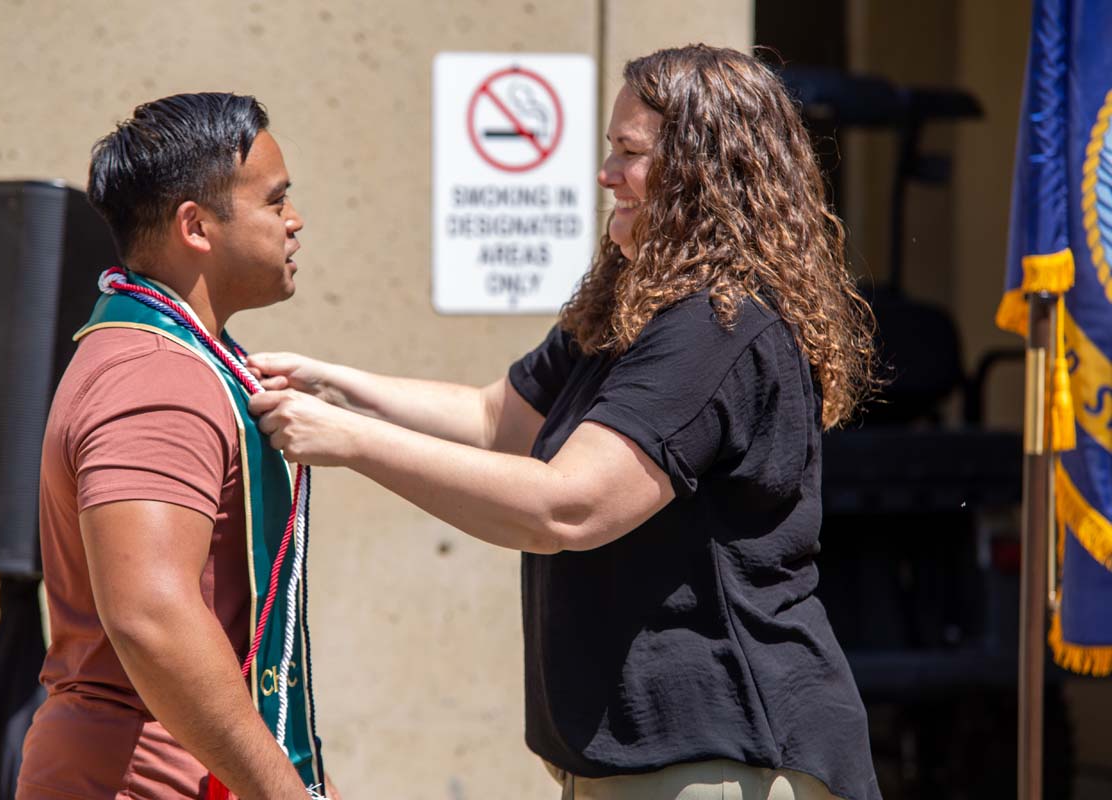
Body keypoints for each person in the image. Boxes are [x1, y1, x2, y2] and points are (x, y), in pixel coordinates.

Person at [249, 45, 880, 800]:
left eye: (630, 154)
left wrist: (346, 440)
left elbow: (566, 506)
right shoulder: (633, 303)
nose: (607, 174)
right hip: (647, 764)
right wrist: (333, 383)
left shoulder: (713, 327)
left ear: (705, 171)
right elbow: (497, 420)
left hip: (725, 758)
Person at [19, 93, 337, 800]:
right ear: (195, 225)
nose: (295, 221)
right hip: (141, 773)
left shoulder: (172, 355)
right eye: (274, 201)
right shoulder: (155, 377)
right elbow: (151, 617)